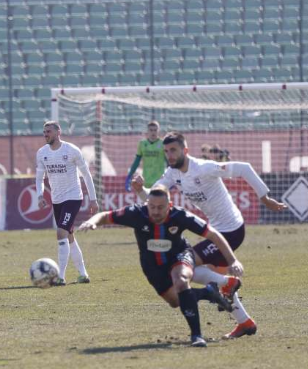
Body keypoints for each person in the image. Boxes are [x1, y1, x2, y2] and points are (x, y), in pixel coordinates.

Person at [133, 131, 287, 338]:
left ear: (185, 150)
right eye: (166, 151)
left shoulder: (203, 168)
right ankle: (245, 322)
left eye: (174, 150)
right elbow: (154, 200)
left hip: (231, 230)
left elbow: (244, 168)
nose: (169, 155)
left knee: (184, 267)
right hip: (217, 230)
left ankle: (227, 284)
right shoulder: (172, 173)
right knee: (207, 279)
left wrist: (264, 197)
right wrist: (141, 189)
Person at [78, 186, 243, 347]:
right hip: (152, 266)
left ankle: (197, 335)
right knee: (175, 301)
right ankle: (208, 292)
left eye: (160, 207)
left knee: (181, 281)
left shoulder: (181, 216)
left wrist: (232, 261)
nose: (156, 211)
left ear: (169, 206)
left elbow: (213, 234)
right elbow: (106, 215)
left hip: (180, 256)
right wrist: (92, 222)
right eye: (152, 207)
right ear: (146, 204)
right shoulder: (136, 214)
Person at [35, 121, 99, 285]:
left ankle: (60, 277)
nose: (46, 134)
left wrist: (93, 199)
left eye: (48, 131)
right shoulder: (42, 153)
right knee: (69, 236)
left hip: (73, 198)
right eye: (44, 132)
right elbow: (40, 177)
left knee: (61, 232)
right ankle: (83, 274)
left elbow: (86, 175)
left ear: (58, 132)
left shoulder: (71, 150)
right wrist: (40, 195)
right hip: (57, 200)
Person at [124, 120, 166, 192]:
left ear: (158, 131)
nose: (153, 132)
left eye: (155, 130)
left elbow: (169, 163)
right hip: (146, 181)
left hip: (160, 181)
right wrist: (129, 176)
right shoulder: (142, 144)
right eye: (151, 130)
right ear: (147, 131)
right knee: (147, 202)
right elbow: (136, 162)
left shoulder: (163, 144)